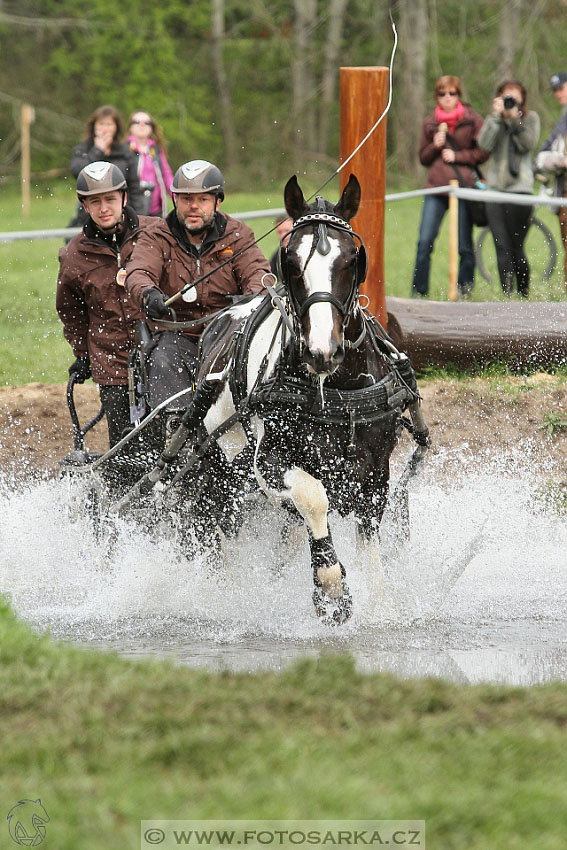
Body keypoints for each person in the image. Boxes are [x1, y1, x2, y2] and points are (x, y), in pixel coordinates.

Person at [124, 159, 270, 411]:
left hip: (227, 335)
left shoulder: (238, 234)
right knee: (162, 360)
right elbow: (138, 272)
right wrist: (148, 294)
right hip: (178, 335)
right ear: (175, 200)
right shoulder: (156, 235)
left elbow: (258, 273)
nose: (194, 207)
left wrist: (252, 299)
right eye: (186, 199)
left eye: (202, 199)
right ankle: (175, 428)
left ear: (217, 202)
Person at [56, 161, 156, 447]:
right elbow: (71, 312)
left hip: (160, 353)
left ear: (124, 198)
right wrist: (83, 354)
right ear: (84, 206)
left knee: (164, 437)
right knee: (125, 446)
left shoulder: (155, 233)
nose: (104, 208)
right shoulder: (74, 255)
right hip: (110, 361)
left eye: (110, 199)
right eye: (95, 201)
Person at [411, 76, 489, 298]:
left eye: (452, 93)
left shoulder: (473, 120)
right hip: (436, 188)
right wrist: (435, 146)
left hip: (462, 187)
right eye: (442, 94)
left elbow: (483, 152)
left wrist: (458, 155)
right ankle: (419, 292)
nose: (447, 98)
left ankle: (465, 290)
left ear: (459, 96)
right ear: (437, 97)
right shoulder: (430, 123)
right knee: (424, 241)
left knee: (464, 244)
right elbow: (423, 158)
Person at [478, 81, 540, 297]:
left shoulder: (530, 119)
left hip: (520, 191)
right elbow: (484, 145)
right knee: (501, 246)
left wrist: (514, 119)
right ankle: (507, 295)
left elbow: (528, 143)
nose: (510, 100)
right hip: (495, 190)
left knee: (516, 246)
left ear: (522, 99)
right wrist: (496, 118)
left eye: (515, 97)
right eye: (506, 96)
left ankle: (523, 293)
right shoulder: (495, 120)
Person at [69, 105, 144, 228]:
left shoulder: (125, 151)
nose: (105, 129)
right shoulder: (84, 148)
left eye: (109, 124)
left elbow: (134, 185)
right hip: (90, 214)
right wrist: (98, 150)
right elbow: (77, 171)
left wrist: (138, 216)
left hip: (121, 212)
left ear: (116, 127)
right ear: (94, 127)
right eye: (101, 124)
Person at [535, 71, 567, 287]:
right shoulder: (563, 120)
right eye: (554, 90)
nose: (557, 94)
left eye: (561, 88)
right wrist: (559, 160)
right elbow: (542, 154)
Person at [126, 109, 174, 217]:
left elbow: (166, 175)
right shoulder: (124, 149)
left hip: (156, 209)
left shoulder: (156, 150)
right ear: (130, 127)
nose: (142, 125)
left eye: (146, 122)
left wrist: (177, 196)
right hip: (133, 209)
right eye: (137, 122)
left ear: (151, 128)